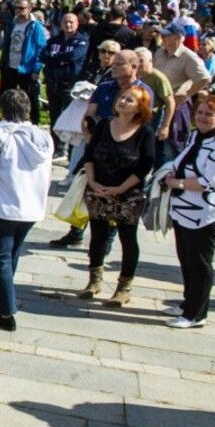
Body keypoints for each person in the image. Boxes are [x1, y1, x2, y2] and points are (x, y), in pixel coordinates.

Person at [0, 90, 54, 331]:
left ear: (2, 110)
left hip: (2, 206)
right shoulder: (43, 137)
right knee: (12, 252)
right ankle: (0, 289)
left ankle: (5, 312)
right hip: (31, 206)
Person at [77, 86, 156, 305]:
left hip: (128, 194)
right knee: (97, 236)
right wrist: (92, 181)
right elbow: (89, 154)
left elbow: (145, 167)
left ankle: (124, 287)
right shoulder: (104, 125)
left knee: (128, 238)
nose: (122, 101)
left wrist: (120, 189)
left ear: (139, 107)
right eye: (122, 98)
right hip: (98, 189)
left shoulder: (145, 131)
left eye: (129, 100)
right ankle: (94, 281)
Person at [162, 94, 215, 328]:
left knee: (199, 264)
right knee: (186, 259)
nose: (202, 118)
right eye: (199, 113)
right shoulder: (197, 136)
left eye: (209, 114)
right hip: (183, 209)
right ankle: (188, 303)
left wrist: (177, 184)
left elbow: (209, 180)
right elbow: (183, 163)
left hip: (204, 214)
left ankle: (196, 314)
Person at [43, 11, 88, 154]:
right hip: (53, 83)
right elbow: (43, 56)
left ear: (77, 24)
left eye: (71, 22)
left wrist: (55, 57)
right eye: (65, 22)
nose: (68, 25)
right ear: (61, 24)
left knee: (69, 118)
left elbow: (74, 56)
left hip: (70, 86)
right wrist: (62, 59)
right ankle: (57, 147)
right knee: (54, 117)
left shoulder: (82, 40)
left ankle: (69, 149)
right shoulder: (54, 40)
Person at [0, 0, 48, 125]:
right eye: (17, 8)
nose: (19, 11)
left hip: (27, 68)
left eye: (22, 8)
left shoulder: (35, 26)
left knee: (30, 98)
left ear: (29, 9)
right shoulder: (12, 24)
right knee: (8, 97)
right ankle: (8, 121)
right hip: (10, 66)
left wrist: (36, 69)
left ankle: (34, 123)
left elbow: (41, 48)